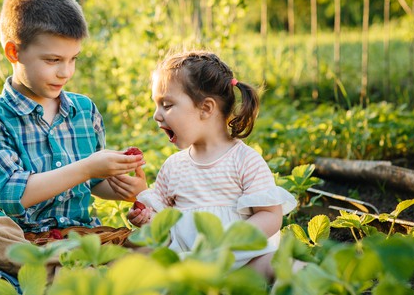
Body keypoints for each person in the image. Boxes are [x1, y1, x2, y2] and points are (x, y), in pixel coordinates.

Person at [0, 0, 147, 276]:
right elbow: (12, 195)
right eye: (53, 60)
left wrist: (124, 188)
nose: (65, 72)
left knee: (152, 243)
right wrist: (87, 167)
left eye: (73, 59)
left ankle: (58, 272)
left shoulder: (84, 111)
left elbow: (93, 183)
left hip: (80, 237)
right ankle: (73, 273)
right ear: (13, 52)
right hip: (23, 240)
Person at [127, 50, 297, 280]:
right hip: (191, 264)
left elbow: (270, 215)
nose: (157, 116)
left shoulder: (244, 160)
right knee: (137, 259)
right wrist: (147, 217)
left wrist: (229, 241)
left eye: (166, 105)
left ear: (206, 108)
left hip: (244, 263)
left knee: (282, 263)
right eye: (156, 106)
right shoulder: (173, 167)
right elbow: (163, 220)